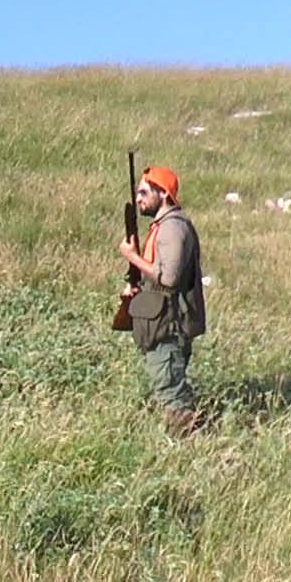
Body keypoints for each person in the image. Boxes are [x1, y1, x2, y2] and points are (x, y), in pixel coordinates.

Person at [117, 165, 206, 436]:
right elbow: (156, 276)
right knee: (169, 385)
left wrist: (132, 257)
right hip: (160, 322)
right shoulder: (163, 226)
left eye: (144, 192)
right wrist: (136, 286)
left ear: (164, 194)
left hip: (169, 325)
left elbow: (169, 279)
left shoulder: (172, 229)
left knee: (170, 392)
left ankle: (186, 442)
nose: (138, 199)